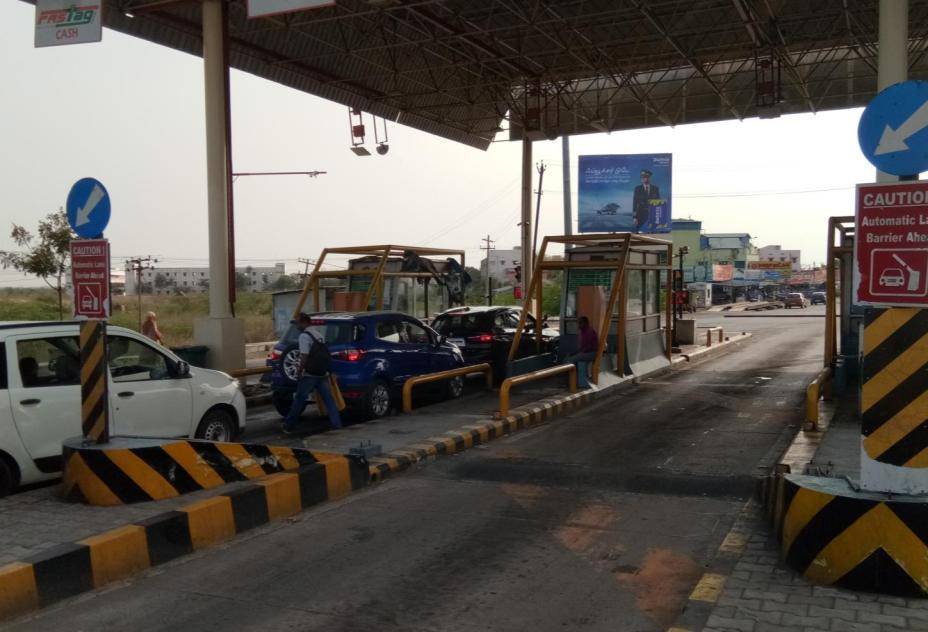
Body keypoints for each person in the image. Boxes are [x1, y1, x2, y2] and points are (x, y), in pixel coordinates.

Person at [283, 313, 342, 433]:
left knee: (299, 399)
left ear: (304, 322)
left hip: (309, 375)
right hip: (322, 373)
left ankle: (288, 425)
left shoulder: (304, 336)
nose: (296, 325)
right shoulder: (318, 335)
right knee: (329, 399)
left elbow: (304, 356)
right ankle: (337, 424)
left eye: (298, 323)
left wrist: (300, 370)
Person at [568, 316, 598, 389]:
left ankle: (573, 381)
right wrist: (574, 353)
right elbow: (582, 347)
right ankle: (574, 380)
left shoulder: (590, 331)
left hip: (591, 353)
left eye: (580, 323)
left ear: (586, 323)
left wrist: (579, 353)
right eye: (578, 323)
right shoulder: (583, 332)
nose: (579, 325)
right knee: (568, 358)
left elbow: (590, 347)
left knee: (571, 360)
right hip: (586, 352)